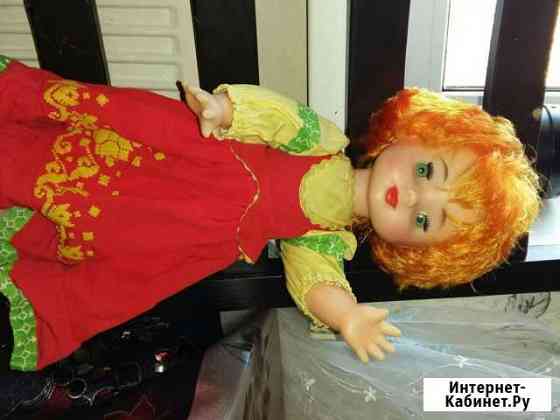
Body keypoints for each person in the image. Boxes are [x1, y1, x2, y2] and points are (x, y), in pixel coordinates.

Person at [0, 55, 540, 371]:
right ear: (411, 135)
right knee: (70, 152)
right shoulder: (324, 142)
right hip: (187, 156)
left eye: (426, 221)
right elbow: (279, 118)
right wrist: (226, 110)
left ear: (412, 250)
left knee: (105, 251)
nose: (416, 197)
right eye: (426, 171)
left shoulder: (324, 238)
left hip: (183, 232)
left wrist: (347, 316)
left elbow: (317, 283)